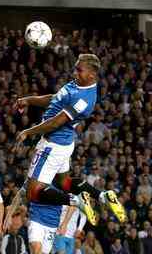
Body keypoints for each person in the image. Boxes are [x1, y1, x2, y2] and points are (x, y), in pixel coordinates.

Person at [15, 54, 126, 225]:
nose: (75, 72)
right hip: (65, 144)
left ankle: (77, 201)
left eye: (79, 70)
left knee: (33, 193)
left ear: (92, 75)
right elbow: (55, 98)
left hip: (53, 144)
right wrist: (28, 100)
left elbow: (55, 123)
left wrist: (28, 132)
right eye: (75, 68)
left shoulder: (85, 100)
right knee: (64, 182)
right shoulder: (78, 84)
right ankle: (103, 196)